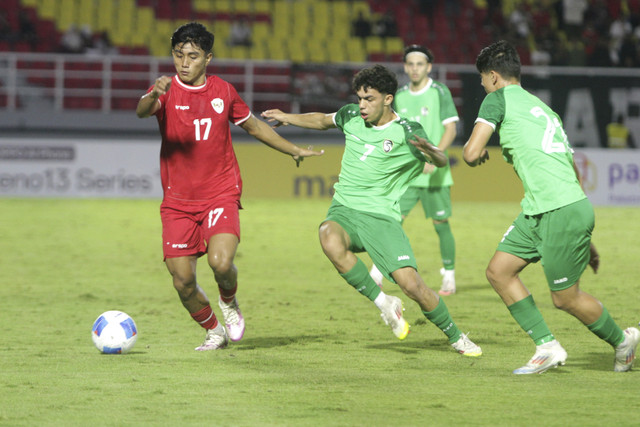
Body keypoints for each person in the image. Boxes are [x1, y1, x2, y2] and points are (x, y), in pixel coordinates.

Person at [262, 65, 482, 357]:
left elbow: (440, 160)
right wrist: (287, 118)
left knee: (411, 285)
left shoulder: (406, 131)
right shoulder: (351, 115)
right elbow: (323, 120)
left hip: (381, 218)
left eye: (369, 99)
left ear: (388, 99)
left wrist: (435, 153)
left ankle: (456, 336)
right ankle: (383, 303)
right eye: (360, 98)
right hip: (345, 210)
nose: (362, 105)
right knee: (328, 235)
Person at [136, 22, 323, 351]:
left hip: (220, 192)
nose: (184, 62)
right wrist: (153, 93)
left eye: (192, 56)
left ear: (208, 58)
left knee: (221, 263)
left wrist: (293, 149)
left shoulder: (223, 91)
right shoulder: (165, 92)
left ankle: (229, 301)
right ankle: (213, 331)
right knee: (182, 281)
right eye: (178, 55)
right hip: (177, 202)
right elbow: (141, 112)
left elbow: (254, 127)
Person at [462, 40, 639, 374]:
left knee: (565, 298)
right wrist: (582, 234)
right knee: (499, 271)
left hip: (556, 210)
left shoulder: (496, 99)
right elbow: (571, 168)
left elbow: (470, 153)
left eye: (483, 79)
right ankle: (547, 346)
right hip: (547, 208)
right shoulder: (544, 109)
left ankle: (623, 340)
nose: (483, 86)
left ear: (495, 77)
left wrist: (477, 153)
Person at [370, 45, 459, 296]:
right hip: (406, 174)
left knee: (441, 223)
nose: (415, 68)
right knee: (391, 221)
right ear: (406, 67)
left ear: (428, 67)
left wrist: (433, 155)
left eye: (420, 64)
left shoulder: (440, 92)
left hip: (434, 172)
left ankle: (449, 277)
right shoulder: (398, 95)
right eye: (411, 64)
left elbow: (450, 129)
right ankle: (378, 270)